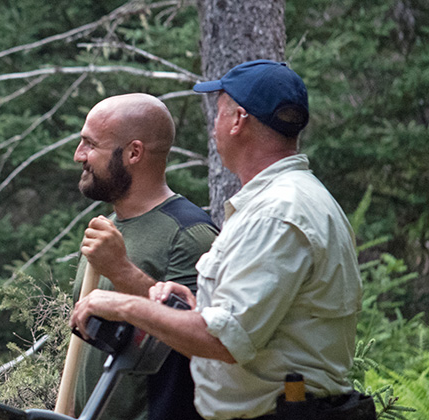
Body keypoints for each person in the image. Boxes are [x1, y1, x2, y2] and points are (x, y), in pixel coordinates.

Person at [70, 60, 368, 420]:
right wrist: (198, 309)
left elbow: (224, 341)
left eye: (218, 113)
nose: (214, 127)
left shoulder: (277, 212)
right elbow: (251, 325)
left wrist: (123, 305)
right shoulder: (289, 200)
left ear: (238, 120)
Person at [67, 93, 217, 419]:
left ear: (134, 153)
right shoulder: (108, 230)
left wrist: (121, 271)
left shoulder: (189, 235)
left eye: (90, 144)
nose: (79, 155)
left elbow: (207, 344)